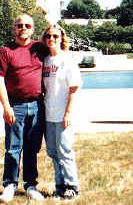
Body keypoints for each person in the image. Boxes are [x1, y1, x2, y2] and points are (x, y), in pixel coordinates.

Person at [0, 14, 46, 203]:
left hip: (38, 106)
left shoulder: (40, 49)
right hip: (15, 105)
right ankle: (10, 185)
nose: (23, 27)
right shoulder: (6, 51)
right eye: (19, 25)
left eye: (27, 25)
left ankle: (31, 185)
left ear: (32, 29)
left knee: (32, 148)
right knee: (13, 148)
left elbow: (58, 51)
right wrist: (6, 106)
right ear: (14, 28)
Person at [41, 24, 82, 200]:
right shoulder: (45, 60)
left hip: (63, 115)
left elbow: (73, 89)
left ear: (61, 38)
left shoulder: (67, 60)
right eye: (49, 36)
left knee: (65, 151)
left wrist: (68, 114)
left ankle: (72, 187)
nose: (52, 39)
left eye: (55, 36)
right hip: (48, 114)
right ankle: (60, 186)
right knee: (53, 152)